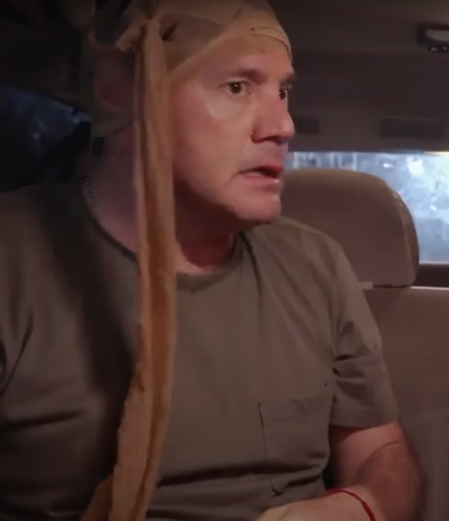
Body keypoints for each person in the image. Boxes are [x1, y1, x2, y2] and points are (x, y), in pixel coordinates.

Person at [0, 1, 420, 520]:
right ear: (117, 92)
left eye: (283, 92)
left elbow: (382, 453)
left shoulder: (317, 267)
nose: (283, 125)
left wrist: (361, 504)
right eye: (238, 87)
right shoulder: (15, 260)